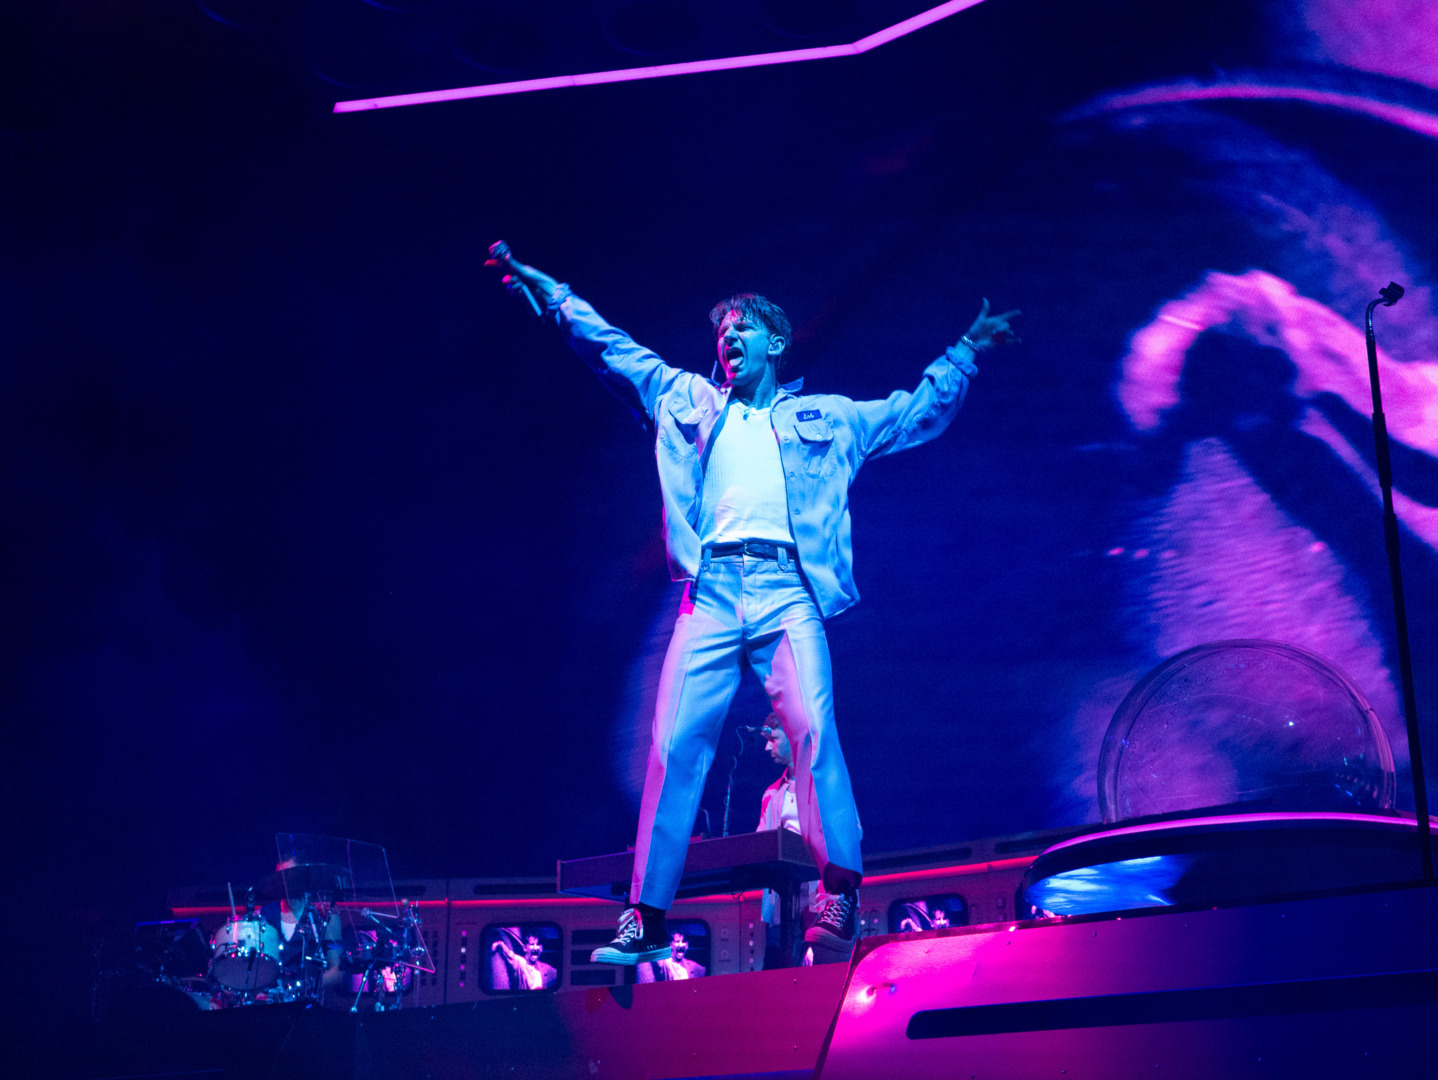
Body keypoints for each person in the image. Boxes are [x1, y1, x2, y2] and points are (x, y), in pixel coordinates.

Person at [488, 243, 1019, 965]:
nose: (727, 335)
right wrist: (555, 296)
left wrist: (964, 352)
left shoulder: (827, 417)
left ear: (776, 341)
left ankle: (839, 894)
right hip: (709, 594)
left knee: (813, 730)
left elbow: (912, 415)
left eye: (742, 326)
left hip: (786, 592)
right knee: (673, 745)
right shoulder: (686, 399)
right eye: (721, 329)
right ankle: (646, 916)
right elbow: (609, 347)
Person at [490, 929, 559, 990]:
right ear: (525, 948)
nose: (535, 948)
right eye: (532, 944)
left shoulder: (545, 968)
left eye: (538, 944)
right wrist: (500, 944)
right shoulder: (520, 962)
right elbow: (510, 955)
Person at [636, 931, 706, 982]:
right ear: (670, 944)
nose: (681, 945)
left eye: (683, 941)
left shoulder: (692, 965)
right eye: (677, 941)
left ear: (687, 945)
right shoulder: (665, 962)